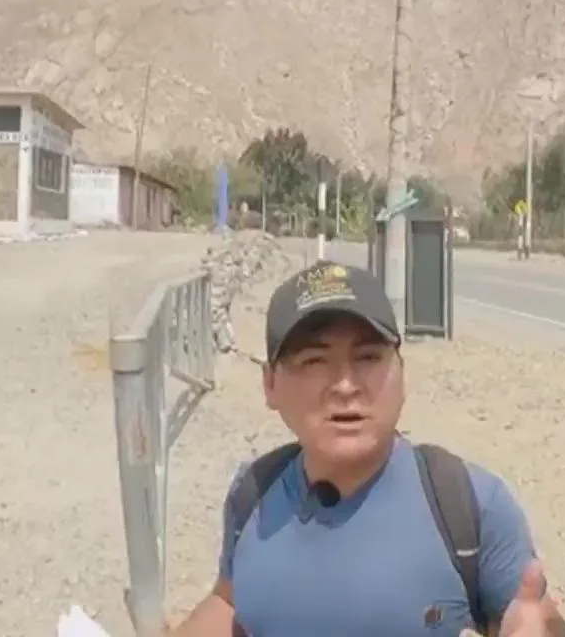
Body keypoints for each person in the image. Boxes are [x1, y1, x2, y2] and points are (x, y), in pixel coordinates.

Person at [170, 261, 538, 636]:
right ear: (269, 385)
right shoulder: (253, 494)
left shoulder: (470, 505)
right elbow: (230, 602)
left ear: (401, 371)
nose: (345, 386)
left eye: (368, 358)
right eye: (314, 361)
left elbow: (530, 618)